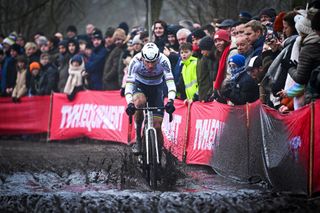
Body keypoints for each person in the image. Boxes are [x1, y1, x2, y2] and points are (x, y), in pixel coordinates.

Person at [124, 42, 176, 154]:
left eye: (153, 62)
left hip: (157, 87)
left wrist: (171, 100)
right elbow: (129, 85)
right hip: (140, 85)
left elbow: (171, 83)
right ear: (142, 58)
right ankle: (138, 137)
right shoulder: (135, 61)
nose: (151, 66)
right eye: (147, 62)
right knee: (139, 102)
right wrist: (129, 103)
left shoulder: (164, 61)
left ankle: (160, 152)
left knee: (157, 126)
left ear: (158, 58)